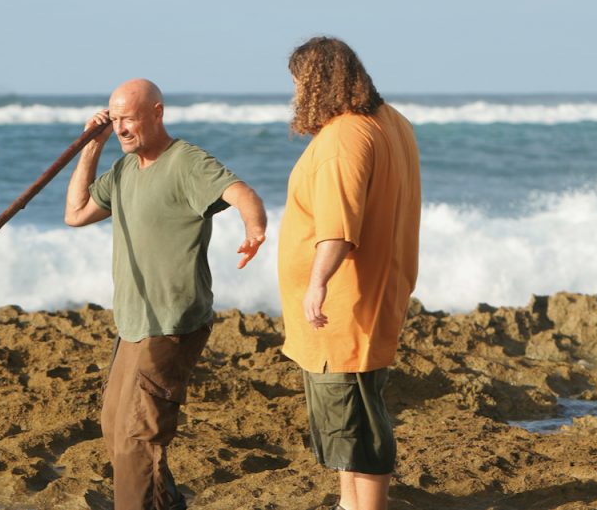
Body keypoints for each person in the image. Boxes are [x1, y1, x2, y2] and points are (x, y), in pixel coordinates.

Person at [64, 78, 267, 510]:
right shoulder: (122, 171)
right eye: (114, 119)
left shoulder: (186, 162)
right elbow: (75, 213)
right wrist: (90, 148)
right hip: (133, 324)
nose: (120, 128)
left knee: (138, 439)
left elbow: (241, 192)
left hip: (171, 323)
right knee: (114, 428)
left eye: (129, 119)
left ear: (157, 113)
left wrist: (255, 228)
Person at [277, 37, 422, 510]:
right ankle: (348, 505)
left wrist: (316, 283)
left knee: (353, 422)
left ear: (316, 83)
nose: (296, 96)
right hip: (379, 293)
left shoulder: (343, 137)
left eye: (299, 84)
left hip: (345, 308)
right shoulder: (392, 122)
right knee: (353, 415)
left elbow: (339, 227)